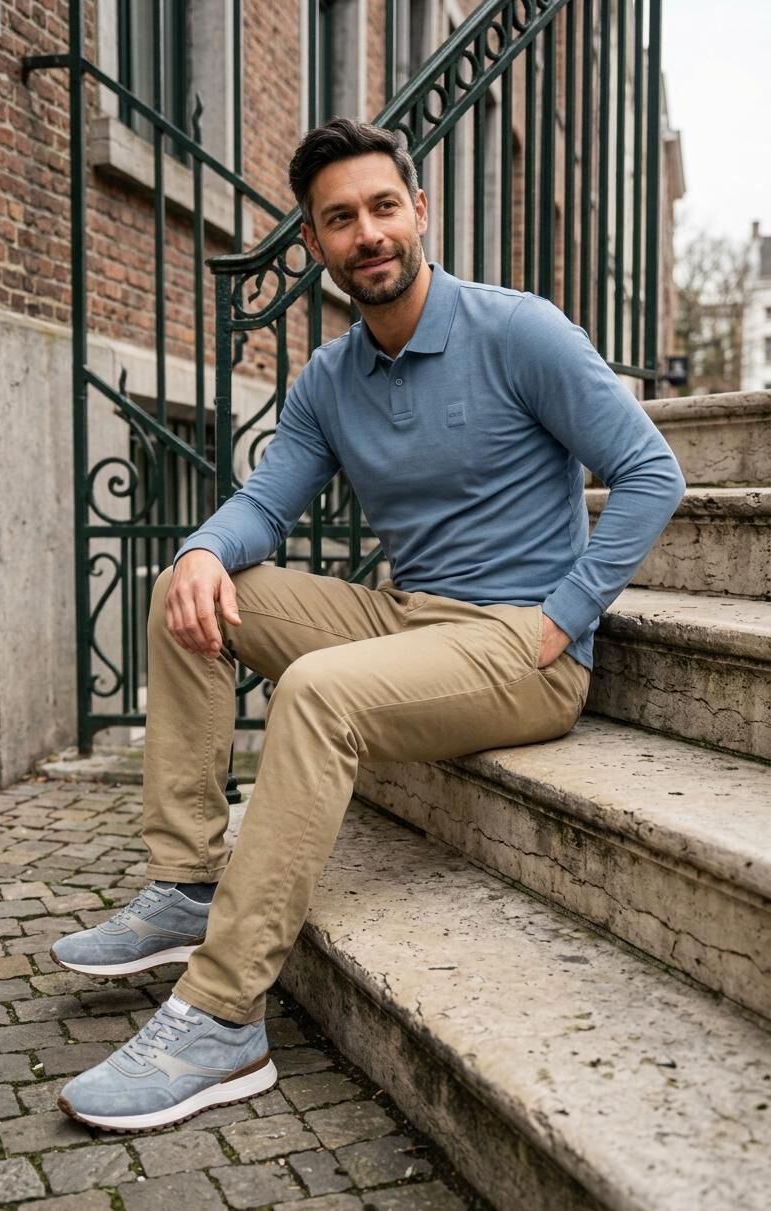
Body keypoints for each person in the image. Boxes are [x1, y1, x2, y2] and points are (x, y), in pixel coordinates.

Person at [52, 118, 685, 1132]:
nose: (368, 233)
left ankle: (221, 1018)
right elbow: (265, 505)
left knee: (317, 690)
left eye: (383, 207)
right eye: (340, 219)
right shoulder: (331, 379)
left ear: (418, 211)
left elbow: (652, 473)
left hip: (519, 645)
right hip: (408, 620)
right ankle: (184, 882)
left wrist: (563, 616)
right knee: (191, 587)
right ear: (314, 243)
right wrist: (206, 549)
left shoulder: (518, 331)